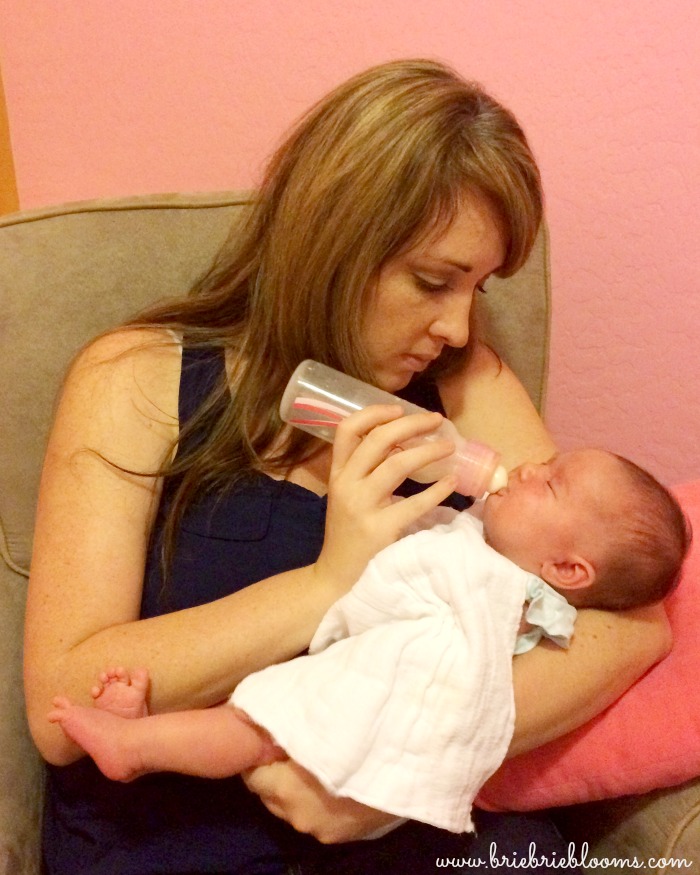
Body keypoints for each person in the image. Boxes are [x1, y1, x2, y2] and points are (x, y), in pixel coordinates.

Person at [24, 58, 674, 875]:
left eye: (478, 287)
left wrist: (391, 768)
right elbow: (62, 703)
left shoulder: (465, 385)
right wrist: (327, 581)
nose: (458, 327)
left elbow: (627, 625)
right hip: (176, 842)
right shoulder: (139, 379)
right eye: (433, 281)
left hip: (413, 838)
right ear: (331, 244)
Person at [46, 448, 690, 836]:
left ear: (569, 571)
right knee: (250, 714)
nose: (526, 466)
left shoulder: (528, 597)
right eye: (546, 463)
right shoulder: (480, 532)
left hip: (384, 699)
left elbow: (606, 641)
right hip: (354, 666)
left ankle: (137, 747)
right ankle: (149, 733)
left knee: (250, 726)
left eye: (548, 482)